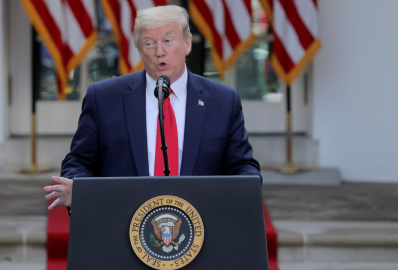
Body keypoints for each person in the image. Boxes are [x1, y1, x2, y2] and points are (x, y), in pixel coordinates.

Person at [44, 5, 261, 210]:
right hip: (123, 224)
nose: (159, 51)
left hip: (201, 227)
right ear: (139, 49)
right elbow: (79, 161)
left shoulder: (223, 101)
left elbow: (242, 167)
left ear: (187, 44)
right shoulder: (103, 97)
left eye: (168, 40)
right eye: (149, 43)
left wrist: (246, 189)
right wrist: (83, 192)